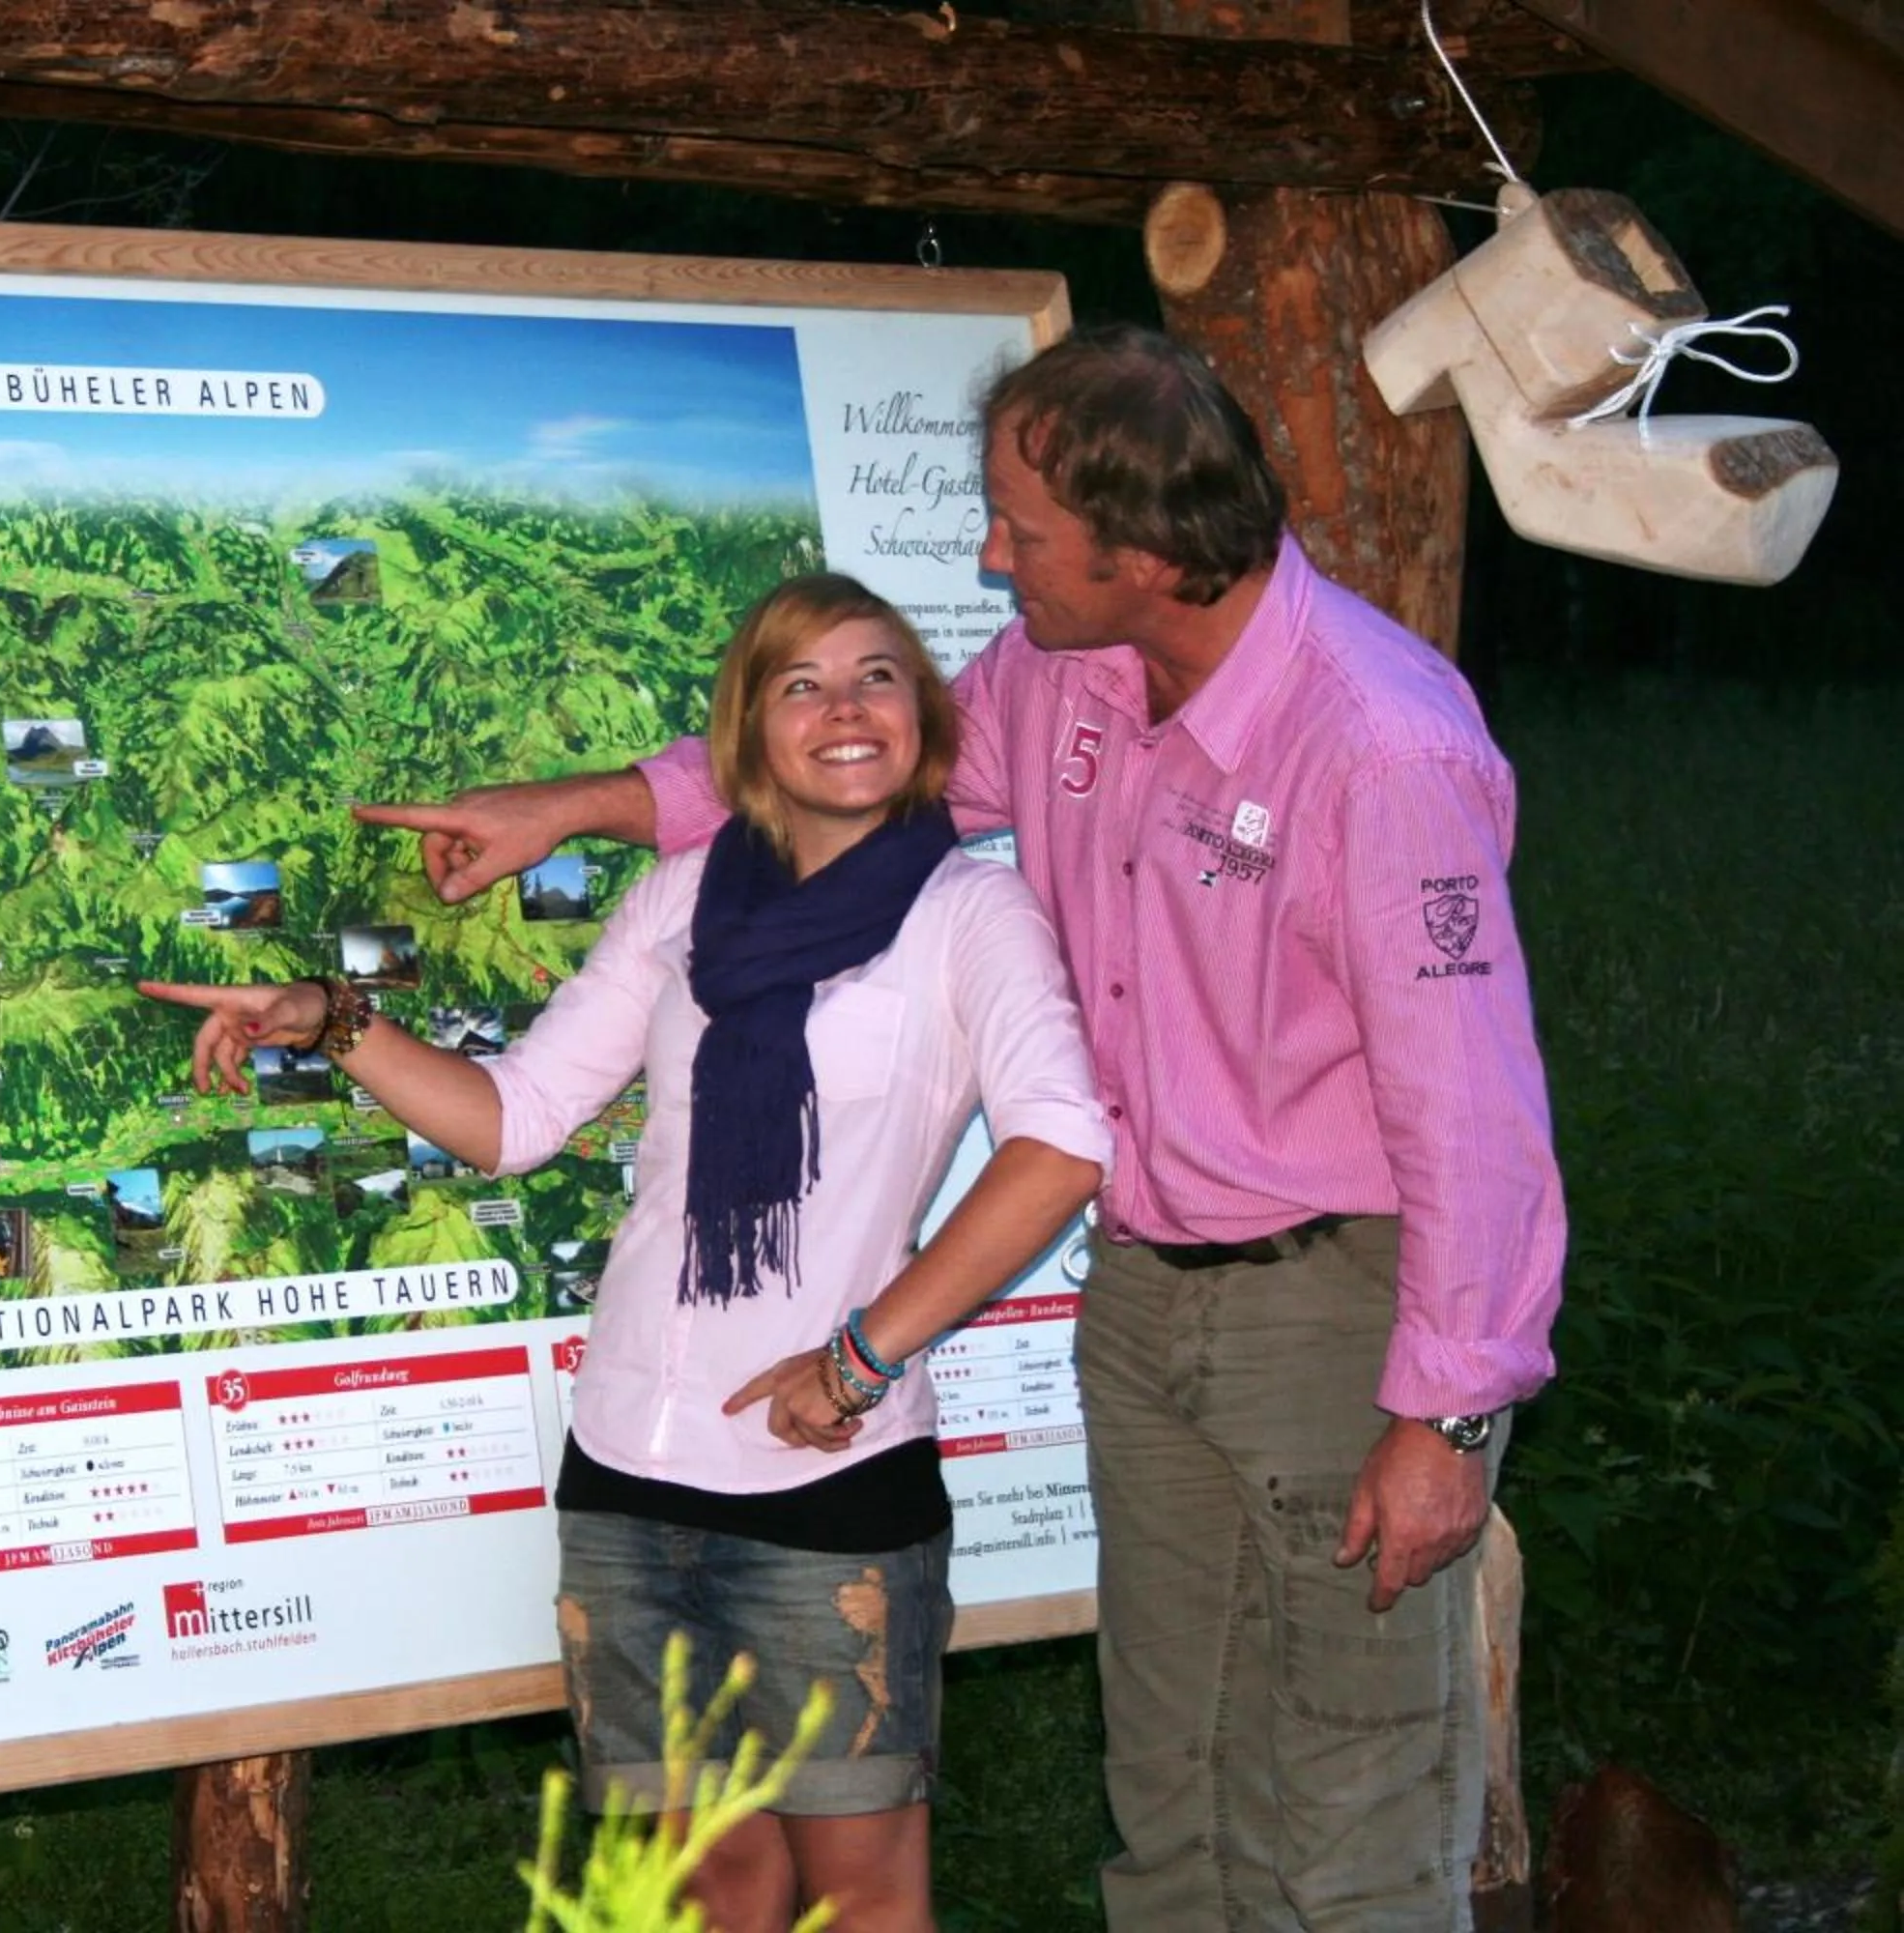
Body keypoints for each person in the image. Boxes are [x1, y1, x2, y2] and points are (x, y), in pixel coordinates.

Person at [353, 325, 1567, 1933]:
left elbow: (1477, 1110)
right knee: (1173, 1784)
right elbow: (845, 772)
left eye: (1022, 530)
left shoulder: (1378, 744)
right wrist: (568, 809)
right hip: (1145, 1296)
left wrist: (1453, 1414)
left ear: (1142, 551)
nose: (990, 559)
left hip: (1335, 1305)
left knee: (1343, 1798)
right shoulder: (1068, 675)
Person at [144, 574, 1110, 1933]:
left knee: (865, 1894)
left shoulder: (969, 915)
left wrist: (859, 1358)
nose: (845, 710)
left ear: (928, 719)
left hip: (826, 1481)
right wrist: (329, 1020)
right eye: (801, 685)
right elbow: (517, 1117)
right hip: (628, 1475)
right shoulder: (680, 898)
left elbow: (1061, 1149)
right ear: (747, 733)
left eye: (878, 676)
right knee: (703, 1886)